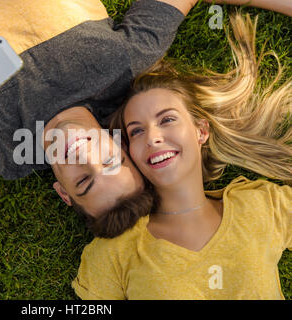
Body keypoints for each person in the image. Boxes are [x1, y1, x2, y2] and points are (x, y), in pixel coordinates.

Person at [0, 1, 288, 231]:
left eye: (83, 180)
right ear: (122, 143)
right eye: (110, 161)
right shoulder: (125, 63)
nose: (84, 155)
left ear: (63, 193)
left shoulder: (1, 154)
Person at [72, 11, 291, 299]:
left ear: (201, 131)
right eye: (136, 132)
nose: (152, 137)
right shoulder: (116, 250)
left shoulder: (263, 206)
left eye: (167, 120)